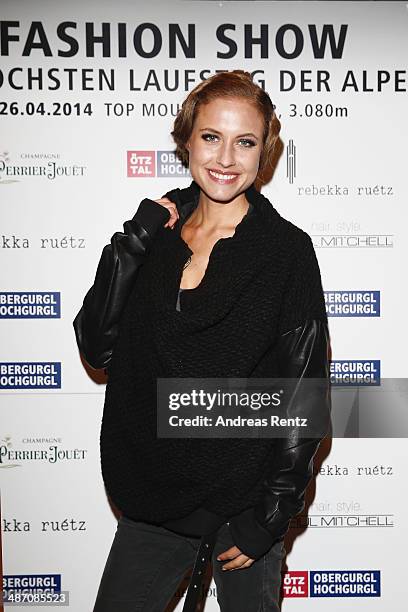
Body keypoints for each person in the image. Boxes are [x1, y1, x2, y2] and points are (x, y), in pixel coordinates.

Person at [73, 70, 331, 612]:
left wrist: (272, 515)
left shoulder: (285, 252)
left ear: (265, 154)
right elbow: (98, 347)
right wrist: (131, 246)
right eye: (212, 137)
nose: (226, 158)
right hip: (153, 501)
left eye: (246, 142)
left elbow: (302, 391)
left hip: (245, 509)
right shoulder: (156, 236)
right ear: (187, 139)